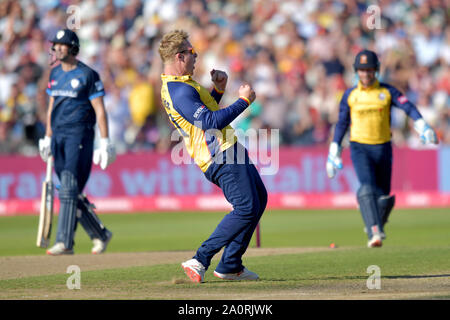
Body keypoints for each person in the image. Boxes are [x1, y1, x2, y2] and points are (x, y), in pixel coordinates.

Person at [158, 30, 267, 282]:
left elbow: (201, 113)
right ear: (179, 57)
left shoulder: (182, 85)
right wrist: (243, 102)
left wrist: (218, 90)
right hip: (219, 154)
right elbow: (208, 121)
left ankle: (230, 264)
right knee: (246, 207)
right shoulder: (178, 90)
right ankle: (200, 258)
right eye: (192, 53)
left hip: (228, 148)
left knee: (258, 200)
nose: (196, 57)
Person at [326, 49, 438, 248]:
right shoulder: (351, 95)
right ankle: (374, 231)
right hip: (359, 147)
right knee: (367, 187)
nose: (366, 74)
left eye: (369, 70)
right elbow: (342, 123)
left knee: (384, 197)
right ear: (356, 72)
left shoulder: (386, 91)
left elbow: (407, 106)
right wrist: (334, 149)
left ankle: (375, 221)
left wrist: (421, 124)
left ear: (376, 70)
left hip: (383, 147)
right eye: (362, 70)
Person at [38, 28, 116, 255]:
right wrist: (47, 136)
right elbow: (52, 107)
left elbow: (100, 110)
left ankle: (65, 242)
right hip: (58, 135)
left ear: (73, 47)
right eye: (55, 45)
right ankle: (100, 233)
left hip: (79, 134)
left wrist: (105, 141)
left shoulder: (88, 75)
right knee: (68, 190)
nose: (57, 48)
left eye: (62, 45)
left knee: (69, 185)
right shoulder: (54, 74)